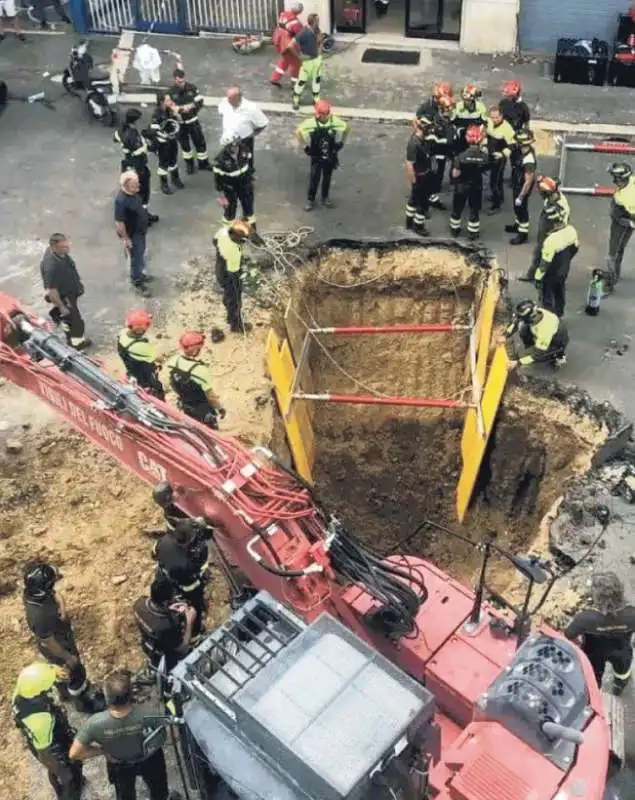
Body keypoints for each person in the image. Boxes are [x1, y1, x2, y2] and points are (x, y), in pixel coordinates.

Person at [70, 669, 182, 800]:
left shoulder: (95, 724)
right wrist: (157, 740)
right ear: (130, 695)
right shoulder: (151, 713)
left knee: (125, 795)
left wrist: (101, 750)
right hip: (149, 759)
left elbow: (75, 753)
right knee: (159, 791)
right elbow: (174, 736)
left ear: (107, 698)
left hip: (118, 765)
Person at [23, 560, 104, 713]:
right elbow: (48, 641)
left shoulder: (33, 593)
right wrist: (68, 657)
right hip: (58, 647)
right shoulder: (39, 616)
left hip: (57, 636)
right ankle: (83, 702)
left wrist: (62, 607)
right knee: (74, 671)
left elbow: (55, 594)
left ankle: (65, 695)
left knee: (61, 675)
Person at [13, 662, 83, 800]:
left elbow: (46, 669)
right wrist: (61, 772)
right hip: (49, 746)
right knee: (68, 777)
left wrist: (55, 672)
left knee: (69, 768)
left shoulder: (23, 689)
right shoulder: (40, 721)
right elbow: (44, 754)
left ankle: (74, 780)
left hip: (45, 733)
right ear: (40, 692)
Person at [565, 572, 635, 696]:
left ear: (595, 597)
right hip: (621, 650)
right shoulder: (632, 614)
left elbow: (569, 634)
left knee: (593, 675)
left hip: (593, 652)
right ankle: (619, 687)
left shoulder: (585, 618)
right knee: (623, 671)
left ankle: (595, 693)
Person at [153, 518, 209, 636]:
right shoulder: (187, 563)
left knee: (160, 594)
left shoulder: (165, 540)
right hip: (187, 586)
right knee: (195, 608)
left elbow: (153, 553)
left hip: (163, 575)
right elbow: (193, 580)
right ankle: (195, 633)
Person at [296, 98, 349, 211]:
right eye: (322, 114)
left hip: (330, 155)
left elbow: (347, 128)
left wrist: (342, 143)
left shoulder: (334, 121)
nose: (325, 116)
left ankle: (325, 198)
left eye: (326, 114)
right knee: (314, 178)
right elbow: (298, 132)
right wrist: (304, 146)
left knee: (327, 178)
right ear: (317, 114)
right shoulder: (310, 123)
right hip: (316, 155)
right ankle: (310, 200)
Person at [40, 233, 91, 351]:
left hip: (69, 290)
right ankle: (77, 344)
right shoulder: (52, 267)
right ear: (54, 247)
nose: (67, 248)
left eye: (67, 245)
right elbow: (52, 291)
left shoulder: (60, 254)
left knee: (68, 318)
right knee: (76, 322)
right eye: (63, 247)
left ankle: (61, 320)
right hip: (64, 296)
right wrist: (62, 306)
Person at [132, 580, 197, 671]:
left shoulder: (139, 604)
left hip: (147, 645)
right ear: (165, 602)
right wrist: (190, 621)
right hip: (165, 656)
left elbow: (151, 617)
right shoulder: (166, 626)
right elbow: (183, 649)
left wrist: (168, 610)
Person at [165, 332, 226, 426]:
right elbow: (210, 395)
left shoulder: (173, 362)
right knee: (210, 431)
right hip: (203, 410)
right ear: (196, 350)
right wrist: (220, 409)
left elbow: (171, 382)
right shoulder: (200, 370)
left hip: (186, 407)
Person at [520, 175, 570, 282]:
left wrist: (549, 236)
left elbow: (556, 224)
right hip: (547, 233)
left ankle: (547, 280)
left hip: (552, 235)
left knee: (548, 257)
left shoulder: (553, 208)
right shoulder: (553, 196)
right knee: (539, 253)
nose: (539, 193)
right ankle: (532, 275)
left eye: (540, 191)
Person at [534, 203, 579, 318]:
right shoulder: (571, 231)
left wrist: (538, 277)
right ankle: (560, 313)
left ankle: (548, 316)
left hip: (551, 272)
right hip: (564, 270)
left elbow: (545, 264)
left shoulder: (551, 240)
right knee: (559, 292)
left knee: (546, 294)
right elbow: (575, 249)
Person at [449, 124, 489, 241]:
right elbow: (486, 168)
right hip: (476, 186)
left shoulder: (461, 156)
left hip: (461, 186)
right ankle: (472, 233)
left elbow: (455, 174)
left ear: (467, 138)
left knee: (457, 208)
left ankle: (455, 230)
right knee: (474, 209)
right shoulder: (484, 156)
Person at [113, 108, 156, 218]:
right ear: (135, 121)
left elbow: (116, 138)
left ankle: (136, 214)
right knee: (143, 192)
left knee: (132, 191)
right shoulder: (132, 135)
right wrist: (149, 144)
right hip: (138, 166)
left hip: (128, 164)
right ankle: (142, 215)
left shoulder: (121, 131)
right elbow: (141, 149)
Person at [115, 170, 152, 296]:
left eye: (137, 185)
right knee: (136, 257)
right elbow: (119, 223)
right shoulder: (121, 201)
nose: (137, 188)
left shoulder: (133, 194)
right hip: (133, 234)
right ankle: (137, 280)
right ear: (125, 186)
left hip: (140, 232)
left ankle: (140, 274)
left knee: (141, 253)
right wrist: (126, 239)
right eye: (134, 186)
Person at [168, 68, 211, 174]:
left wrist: (192, 108)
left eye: (182, 81)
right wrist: (177, 111)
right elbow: (169, 107)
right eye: (178, 82)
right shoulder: (171, 92)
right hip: (180, 123)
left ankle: (203, 163)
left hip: (192, 120)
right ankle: (189, 165)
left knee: (200, 143)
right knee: (185, 146)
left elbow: (200, 102)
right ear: (174, 80)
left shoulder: (192, 88)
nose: (181, 83)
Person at [213, 219, 253, 333]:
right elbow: (234, 274)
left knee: (229, 296)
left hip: (220, 267)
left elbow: (214, 240)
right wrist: (238, 288)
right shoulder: (233, 251)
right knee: (234, 298)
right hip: (228, 275)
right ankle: (236, 324)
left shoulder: (223, 232)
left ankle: (230, 311)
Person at [218, 87, 269, 176]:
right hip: (227, 139)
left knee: (245, 160)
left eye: (231, 99)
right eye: (228, 98)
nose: (228, 101)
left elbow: (263, 124)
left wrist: (251, 135)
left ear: (238, 98)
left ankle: (248, 176)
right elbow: (221, 113)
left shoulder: (251, 108)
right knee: (229, 160)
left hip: (244, 140)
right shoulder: (224, 102)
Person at [506, 299, 569, 369]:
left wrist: (519, 362)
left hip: (556, 343)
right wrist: (505, 335)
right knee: (522, 326)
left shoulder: (545, 329)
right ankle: (531, 348)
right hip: (544, 335)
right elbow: (516, 320)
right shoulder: (536, 312)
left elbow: (540, 353)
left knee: (524, 357)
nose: (521, 319)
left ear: (531, 317)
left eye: (523, 319)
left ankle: (558, 355)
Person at [118, 309, 165, 399]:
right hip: (144, 373)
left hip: (131, 365)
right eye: (146, 325)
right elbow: (159, 358)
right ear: (140, 330)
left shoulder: (123, 333)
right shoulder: (140, 347)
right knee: (156, 388)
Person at [213, 133, 256, 228]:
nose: (236, 147)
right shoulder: (220, 160)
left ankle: (252, 230)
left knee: (249, 210)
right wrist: (222, 197)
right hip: (230, 189)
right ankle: (228, 232)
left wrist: (250, 181)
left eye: (236, 144)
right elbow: (218, 180)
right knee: (230, 212)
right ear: (227, 147)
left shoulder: (244, 148)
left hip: (245, 185)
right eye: (233, 145)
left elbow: (249, 164)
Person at [606, 161, 635, 292]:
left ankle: (611, 281)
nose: (614, 181)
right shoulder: (631, 181)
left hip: (622, 223)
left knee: (612, 254)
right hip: (624, 220)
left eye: (615, 178)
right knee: (620, 248)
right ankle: (616, 273)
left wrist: (628, 222)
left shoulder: (626, 198)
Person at [149, 92, 185, 196]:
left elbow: (179, 122)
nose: (171, 102)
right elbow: (153, 131)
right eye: (168, 100)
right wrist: (165, 135)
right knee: (163, 164)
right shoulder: (157, 114)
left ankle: (175, 178)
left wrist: (177, 114)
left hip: (172, 140)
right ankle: (164, 184)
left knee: (173, 160)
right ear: (162, 102)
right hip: (163, 143)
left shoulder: (170, 111)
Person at [505, 128, 537, 245]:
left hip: (523, 186)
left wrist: (521, 196)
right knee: (516, 208)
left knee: (522, 209)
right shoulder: (520, 149)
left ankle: (523, 234)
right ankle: (517, 225)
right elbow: (511, 147)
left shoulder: (529, 160)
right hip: (517, 181)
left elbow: (528, 181)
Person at [404, 114, 433, 236]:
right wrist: (413, 180)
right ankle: (418, 225)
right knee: (423, 202)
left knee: (413, 199)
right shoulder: (414, 144)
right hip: (420, 176)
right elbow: (409, 164)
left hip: (422, 174)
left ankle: (409, 221)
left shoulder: (420, 140)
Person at [425, 94, 455, 210]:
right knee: (433, 179)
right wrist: (446, 140)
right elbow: (436, 140)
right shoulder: (437, 121)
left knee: (438, 177)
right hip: (436, 156)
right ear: (442, 108)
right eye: (448, 108)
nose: (450, 110)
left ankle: (431, 197)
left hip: (441, 154)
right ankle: (426, 202)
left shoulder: (444, 120)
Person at [485, 105, 515, 215]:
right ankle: (499, 197)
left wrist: (502, 154)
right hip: (489, 155)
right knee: (496, 180)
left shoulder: (507, 128)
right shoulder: (488, 122)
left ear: (501, 116)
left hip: (499, 159)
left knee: (495, 181)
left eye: (496, 117)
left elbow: (513, 144)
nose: (494, 120)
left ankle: (496, 205)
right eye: (492, 117)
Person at [292, 13, 324, 111]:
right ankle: (296, 98)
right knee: (302, 81)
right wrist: (299, 57)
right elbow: (290, 45)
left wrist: (320, 47)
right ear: (314, 22)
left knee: (317, 80)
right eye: (317, 21)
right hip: (308, 62)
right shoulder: (303, 33)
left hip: (317, 60)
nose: (319, 22)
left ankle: (316, 98)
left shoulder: (317, 30)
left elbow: (319, 43)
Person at [270, 1, 304, 88]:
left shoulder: (283, 14)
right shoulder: (296, 23)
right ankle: (294, 83)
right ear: (299, 11)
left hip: (279, 41)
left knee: (285, 60)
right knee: (296, 63)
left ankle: (275, 78)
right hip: (288, 44)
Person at [452, 84, 487, 153]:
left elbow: (485, 123)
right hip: (461, 134)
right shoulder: (457, 106)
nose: (466, 102)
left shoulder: (481, 106)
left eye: (469, 100)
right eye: (465, 100)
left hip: (476, 135)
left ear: (473, 98)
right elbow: (451, 121)